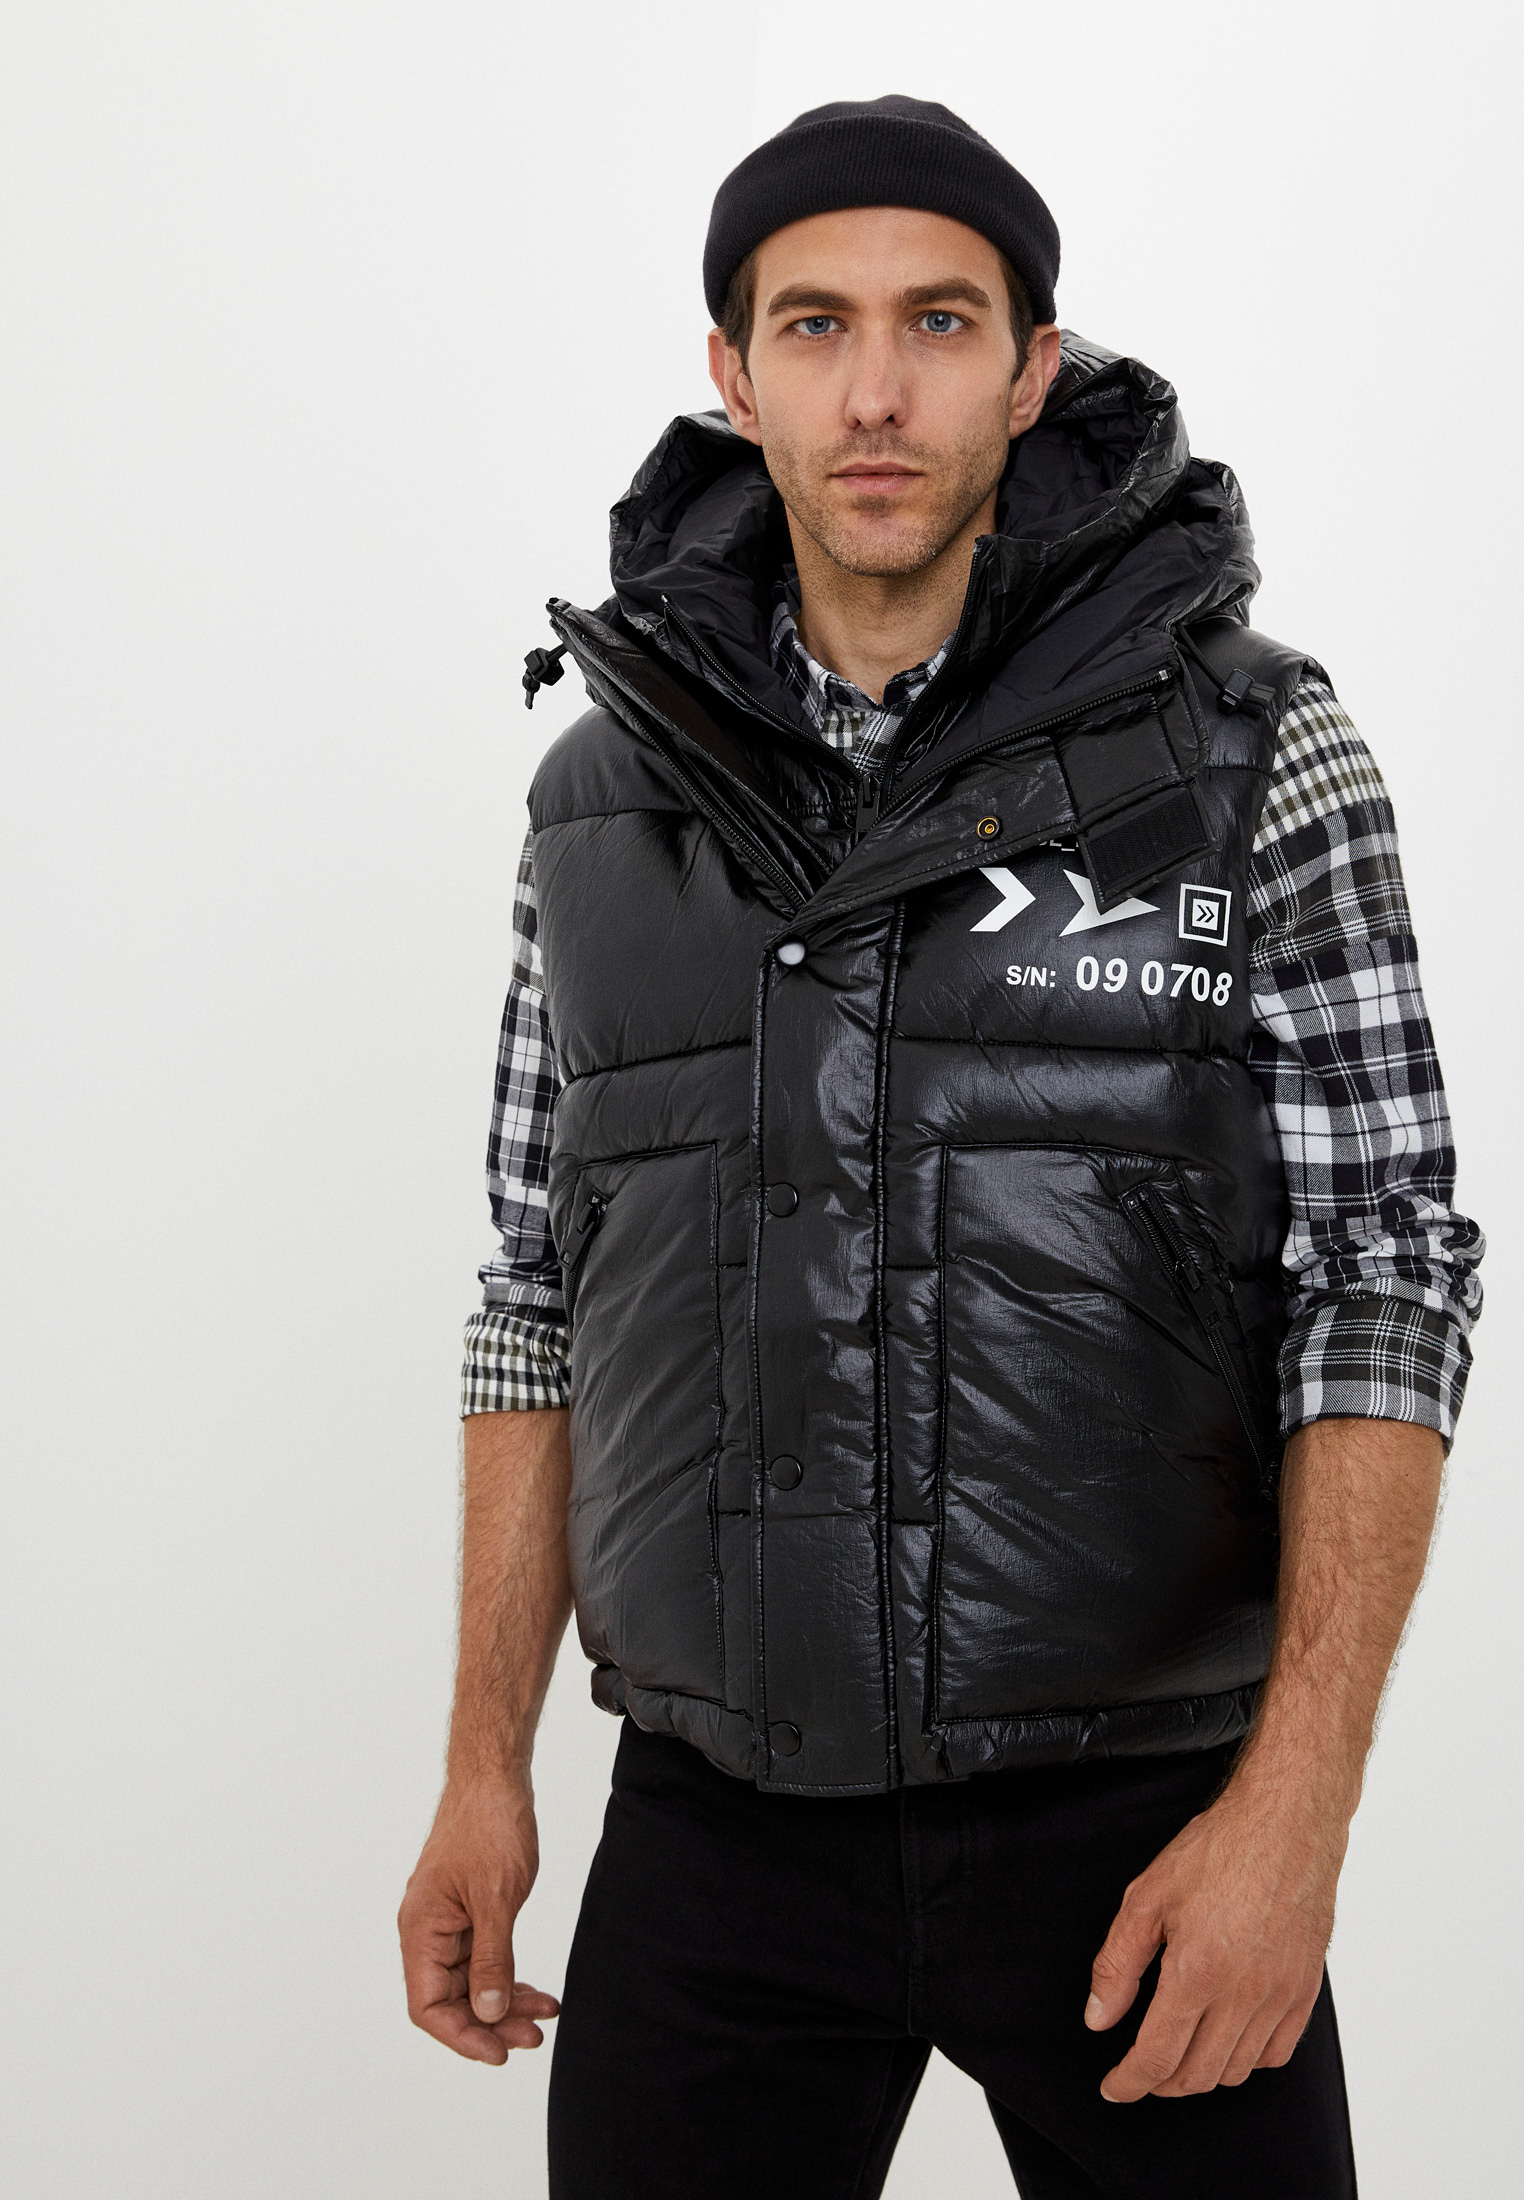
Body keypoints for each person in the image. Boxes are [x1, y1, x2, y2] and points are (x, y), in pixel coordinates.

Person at [398, 96, 1483, 2197]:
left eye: (940, 321)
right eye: (814, 325)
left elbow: (1388, 1267)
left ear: (1033, 366)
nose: (876, 391)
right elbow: (538, 1286)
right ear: (735, 377)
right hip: (711, 1828)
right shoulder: (594, 806)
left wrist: (1297, 1818)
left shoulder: (1255, 753)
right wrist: (481, 1764)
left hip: (1144, 1822)